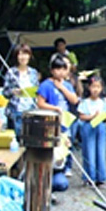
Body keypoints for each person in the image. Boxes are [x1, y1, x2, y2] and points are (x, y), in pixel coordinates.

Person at [36, 55, 79, 187]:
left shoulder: (66, 84)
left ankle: (63, 170)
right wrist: (55, 108)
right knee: (50, 150)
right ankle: (46, 177)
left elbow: (74, 100)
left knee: (64, 147)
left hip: (65, 122)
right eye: (57, 69)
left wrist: (62, 88)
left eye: (63, 69)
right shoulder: (45, 85)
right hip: (49, 123)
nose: (60, 72)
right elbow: (40, 103)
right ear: (52, 70)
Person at [77, 76, 106, 186]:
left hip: (100, 126)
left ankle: (100, 177)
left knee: (100, 151)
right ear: (89, 87)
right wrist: (92, 116)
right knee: (89, 151)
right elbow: (81, 116)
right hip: (88, 126)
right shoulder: (85, 102)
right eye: (93, 87)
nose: (95, 89)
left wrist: (101, 116)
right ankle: (89, 177)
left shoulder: (104, 101)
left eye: (98, 87)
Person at [2, 43, 40, 138]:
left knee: (30, 138)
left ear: (29, 56)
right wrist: (13, 91)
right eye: (20, 54)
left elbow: (37, 91)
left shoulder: (33, 72)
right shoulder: (11, 72)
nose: (23, 57)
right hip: (16, 110)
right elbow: (5, 92)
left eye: (25, 54)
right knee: (16, 139)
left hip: (31, 110)